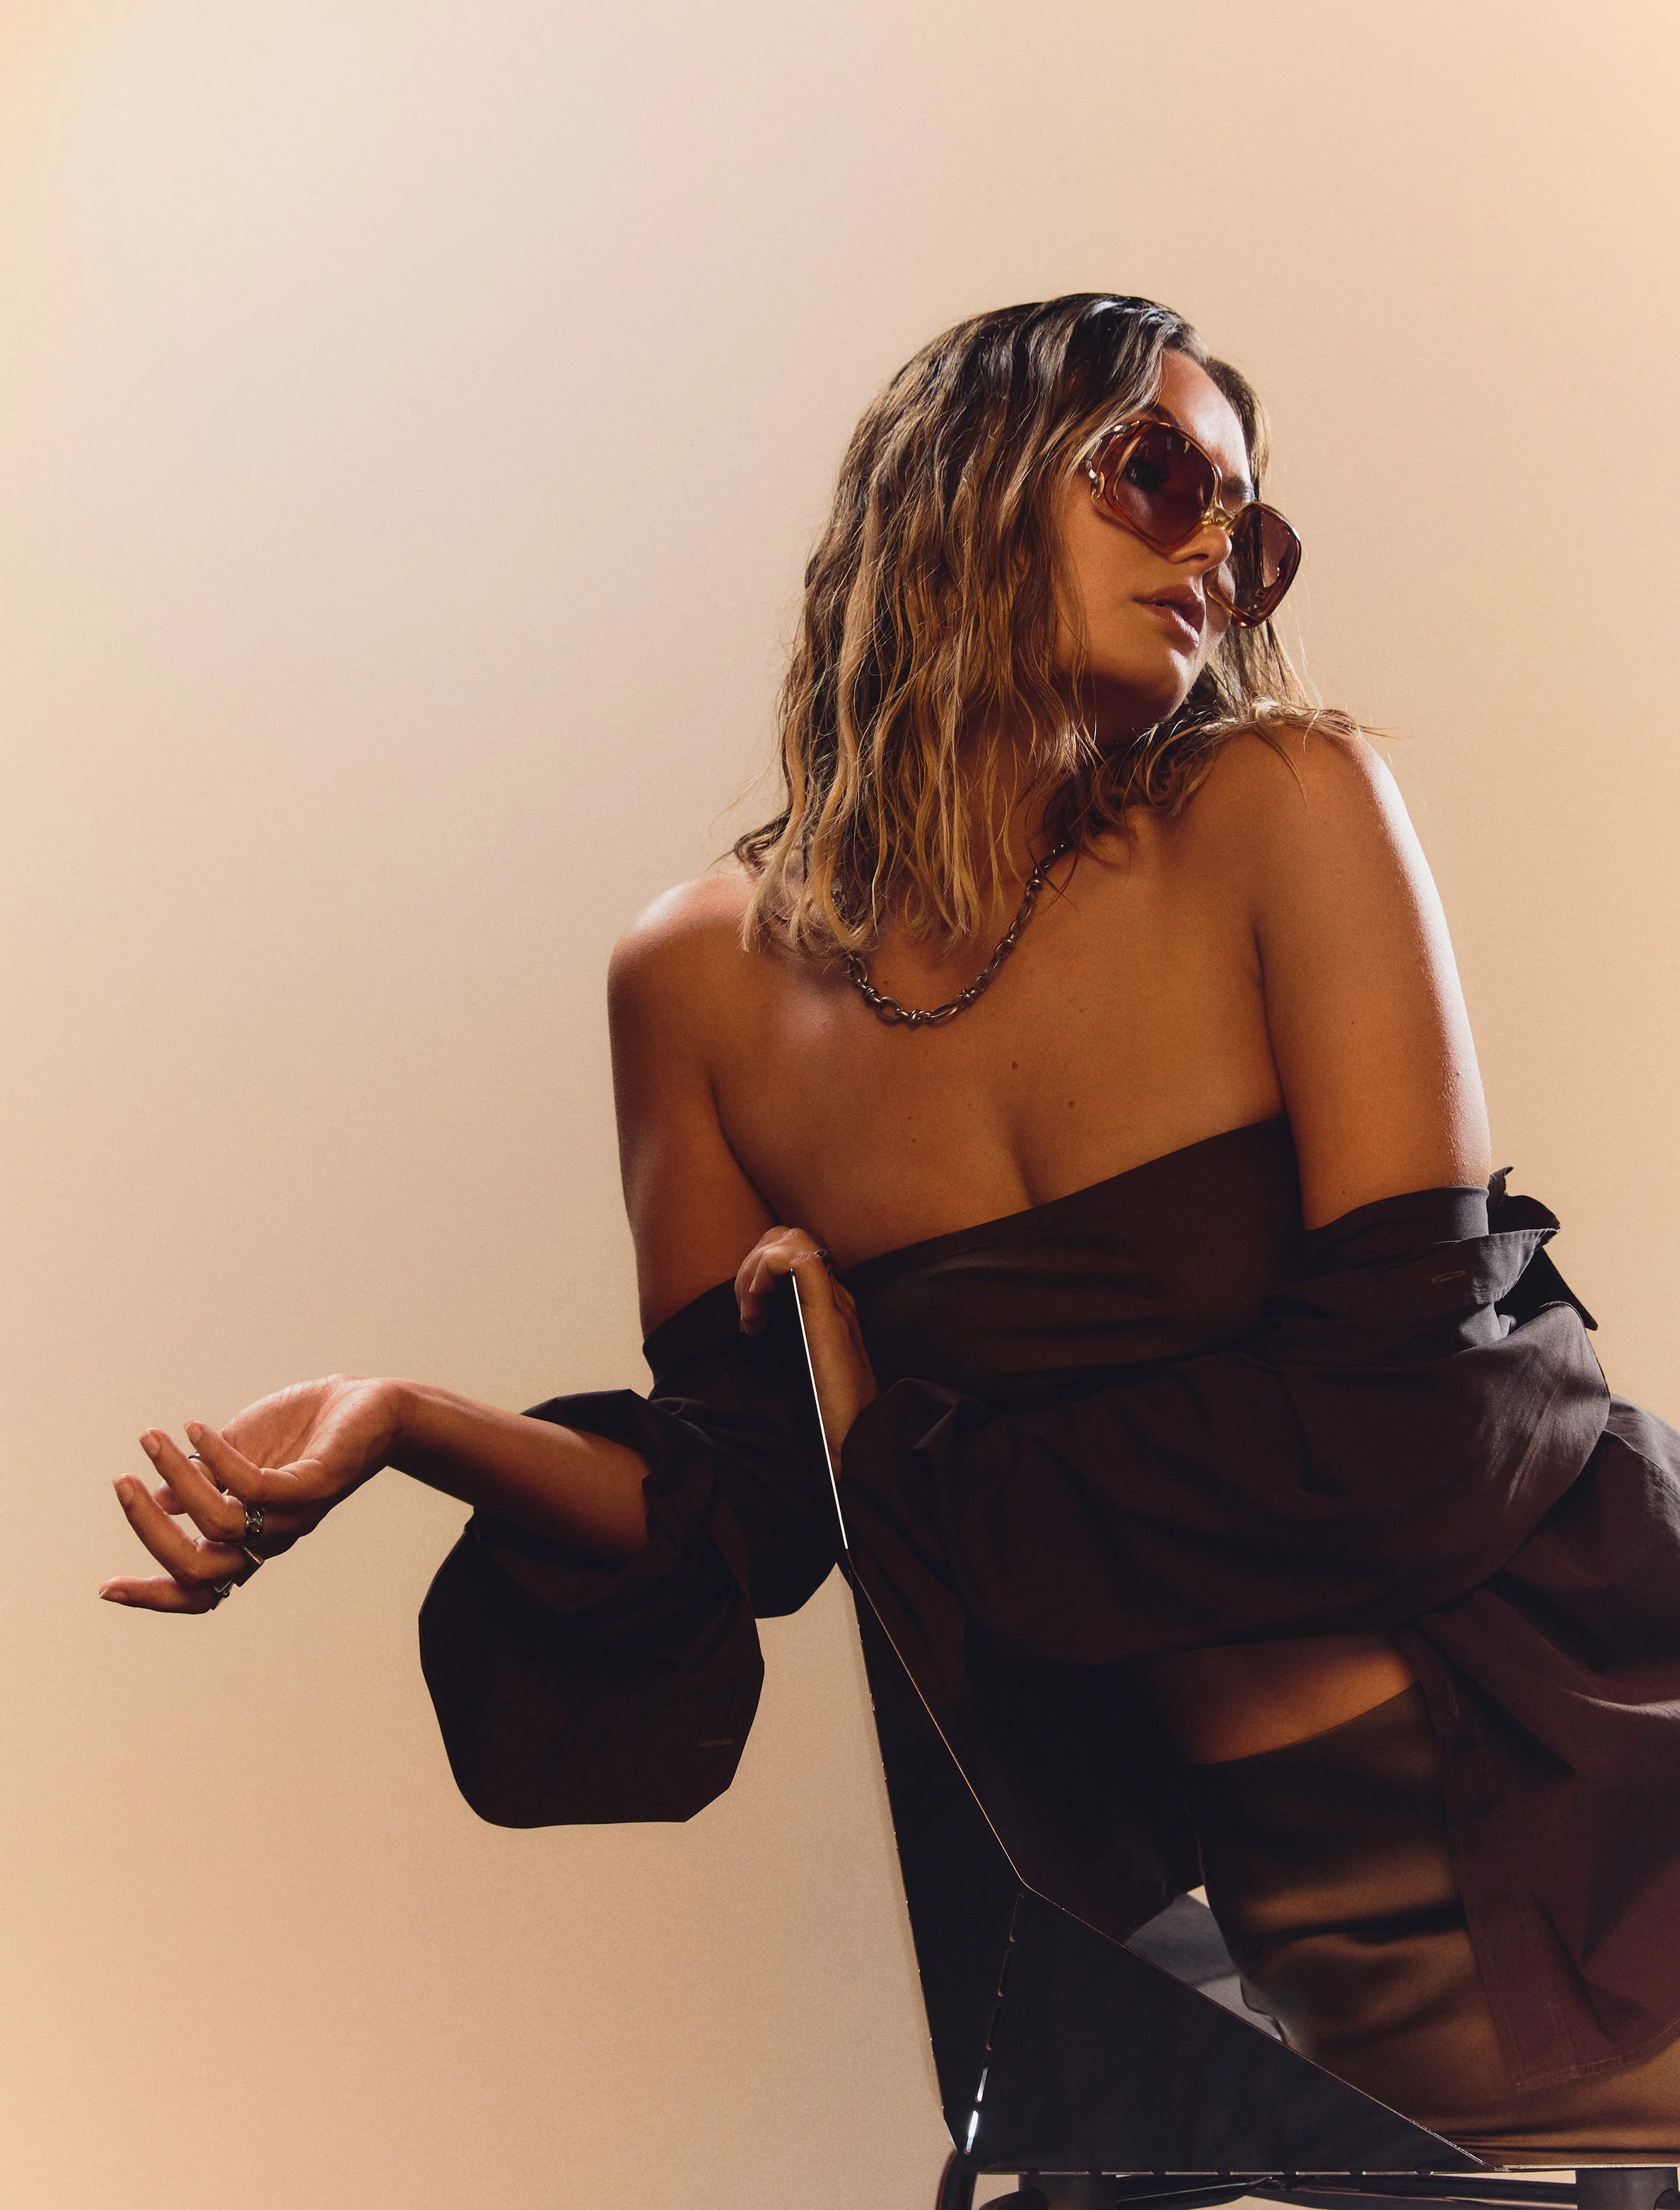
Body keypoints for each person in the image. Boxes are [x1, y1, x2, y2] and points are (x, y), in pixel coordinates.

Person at [100, 294, 1680, 2156]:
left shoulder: (1283, 806)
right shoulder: (695, 983)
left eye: (1247, 533)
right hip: (1310, 1927)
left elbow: (1427, 1422)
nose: (1207, 550)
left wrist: (901, 1463)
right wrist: (405, 1421)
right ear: (964, 481)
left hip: (1598, 1772)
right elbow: (755, 1508)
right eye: (1156, 475)